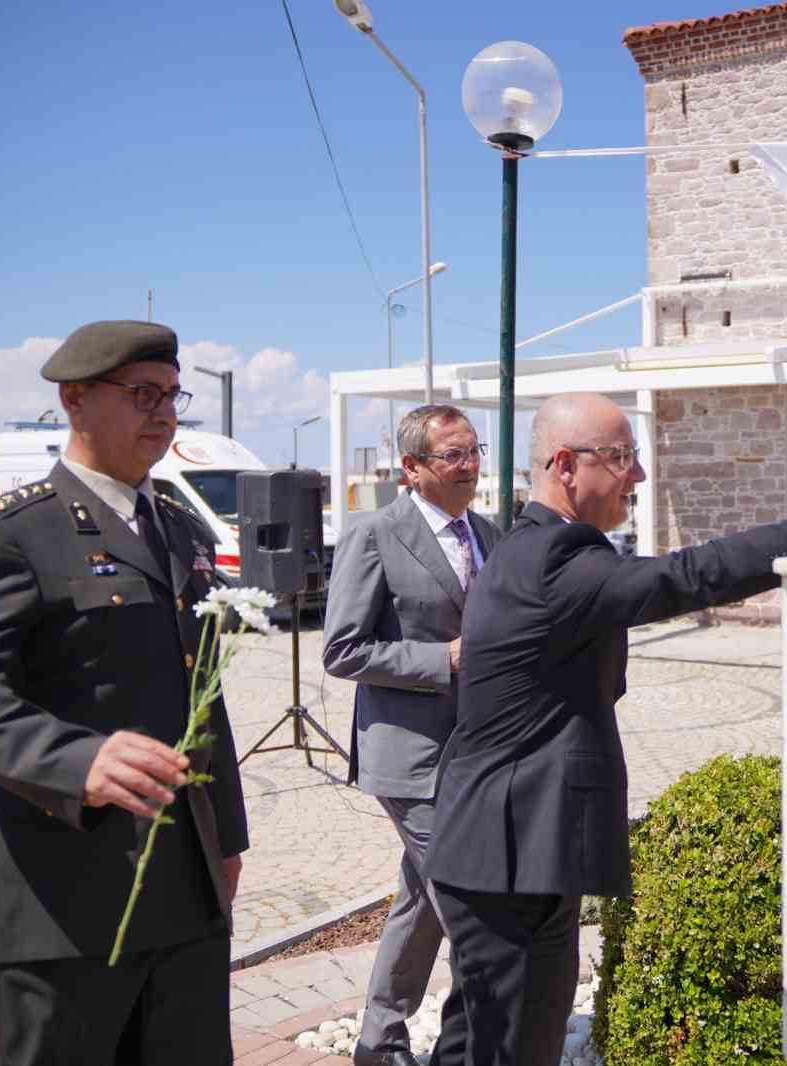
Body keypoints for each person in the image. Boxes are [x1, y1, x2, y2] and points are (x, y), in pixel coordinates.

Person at [423, 392, 787, 1066]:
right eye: (621, 457)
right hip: (511, 857)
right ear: (565, 466)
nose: (637, 474)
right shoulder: (556, 558)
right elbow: (688, 576)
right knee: (513, 1051)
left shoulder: (527, 547)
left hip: (500, 850)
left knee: (474, 1044)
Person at [0, 320, 250, 1066]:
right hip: (56, 900)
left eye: (172, 394)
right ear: (74, 399)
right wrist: (77, 761)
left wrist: (226, 837)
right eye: (141, 394)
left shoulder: (180, 529)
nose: (163, 413)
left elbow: (204, 695)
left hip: (181, 888)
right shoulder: (7, 533)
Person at [323, 404, 500, 1066]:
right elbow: (342, 650)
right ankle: (488, 1033)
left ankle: (379, 1038)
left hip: (478, 750)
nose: (469, 465)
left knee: (422, 898)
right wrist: (440, 660)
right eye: (452, 455)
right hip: (411, 757)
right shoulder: (375, 534)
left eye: (473, 451)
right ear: (411, 467)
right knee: (467, 897)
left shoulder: (489, 533)